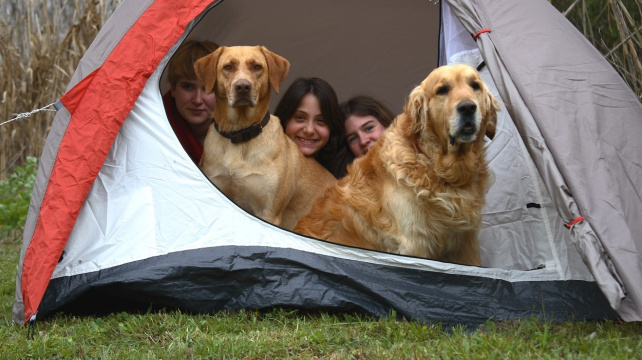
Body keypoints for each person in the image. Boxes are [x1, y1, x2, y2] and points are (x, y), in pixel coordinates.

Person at [274, 77, 353, 178]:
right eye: (300, 117)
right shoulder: (263, 163)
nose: (309, 130)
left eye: (321, 121)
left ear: (332, 126)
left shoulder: (346, 173)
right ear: (285, 120)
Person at [163, 40, 219, 164]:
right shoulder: (153, 130)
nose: (197, 99)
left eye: (208, 88)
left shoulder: (244, 138)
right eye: (188, 87)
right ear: (173, 88)